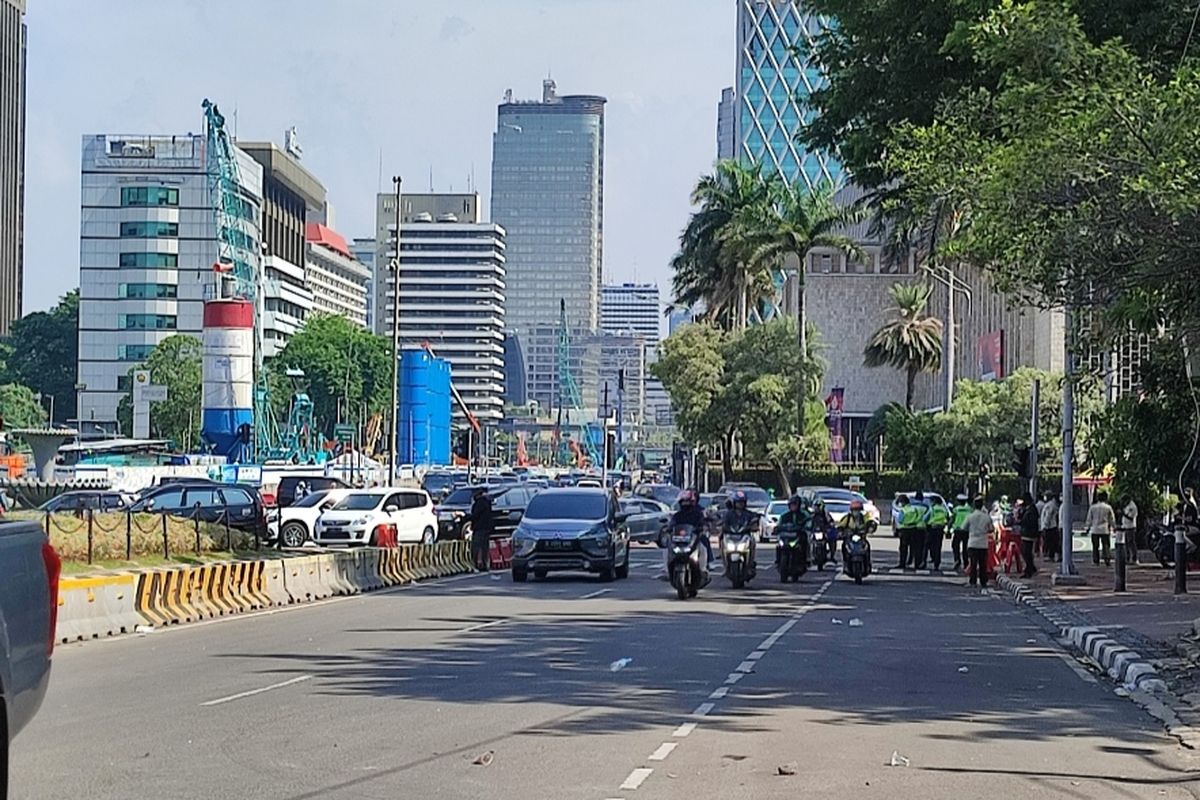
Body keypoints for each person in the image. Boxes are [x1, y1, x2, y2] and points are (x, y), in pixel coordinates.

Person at [673, 489, 714, 569]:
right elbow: (672, 524)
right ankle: (668, 570)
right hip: (679, 540)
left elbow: (703, 522)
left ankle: (703, 569)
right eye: (683, 502)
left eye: (687, 501)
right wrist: (668, 528)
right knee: (668, 548)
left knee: (703, 548)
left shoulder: (698, 513)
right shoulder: (677, 515)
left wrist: (703, 527)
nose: (685, 504)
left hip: (693, 539)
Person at [966, 496, 995, 588]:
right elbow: (991, 529)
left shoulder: (970, 516)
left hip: (972, 543)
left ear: (974, 505)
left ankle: (973, 581)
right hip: (983, 543)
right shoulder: (987, 517)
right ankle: (983, 581)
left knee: (973, 563)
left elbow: (964, 527)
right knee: (983, 564)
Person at [777, 495, 811, 568]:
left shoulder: (804, 514)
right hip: (787, 536)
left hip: (798, 534)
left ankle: (806, 558)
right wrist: (777, 528)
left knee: (805, 540)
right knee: (779, 545)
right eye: (791, 505)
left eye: (794, 504)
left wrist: (806, 527)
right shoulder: (784, 515)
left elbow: (809, 521)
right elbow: (779, 524)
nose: (793, 506)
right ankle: (778, 559)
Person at [1087, 491, 1117, 567]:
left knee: (1095, 546)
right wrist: (1114, 527)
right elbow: (1111, 519)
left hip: (1095, 529)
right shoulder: (1108, 507)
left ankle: (1096, 561)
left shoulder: (1093, 507)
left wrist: (1087, 527)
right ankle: (1107, 560)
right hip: (1105, 529)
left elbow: (1089, 519)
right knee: (1106, 546)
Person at [895, 494, 924, 570]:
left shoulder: (903, 510)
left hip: (904, 530)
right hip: (913, 529)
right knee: (914, 548)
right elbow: (918, 518)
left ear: (903, 502)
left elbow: (900, 520)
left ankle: (902, 563)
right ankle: (916, 564)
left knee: (903, 548)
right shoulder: (914, 509)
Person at [469, 487, 495, 571]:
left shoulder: (479, 504)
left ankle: (476, 564)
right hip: (487, 528)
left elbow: (475, 516)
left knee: (476, 546)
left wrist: (463, 517)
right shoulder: (487, 502)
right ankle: (485, 564)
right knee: (484, 547)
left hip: (479, 528)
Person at [1018, 492, 1041, 579]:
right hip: (1026, 533)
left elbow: (1030, 521)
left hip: (1029, 534)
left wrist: (1023, 522)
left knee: (1026, 552)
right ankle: (1031, 567)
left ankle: (1029, 570)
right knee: (1025, 552)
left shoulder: (1032, 509)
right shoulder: (1027, 509)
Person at [925, 497, 950, 571]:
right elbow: (947, 517)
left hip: (932, 528)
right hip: (940, 529)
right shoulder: (943, 509)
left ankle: (930, 559)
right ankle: (937, 563)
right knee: (938, 546)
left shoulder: (932, 508)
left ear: (934, 501)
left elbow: (925, 518)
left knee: (929, 545)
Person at [950, 494, 972, 571]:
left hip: (958, 530)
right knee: (965, 547)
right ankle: (966, 563)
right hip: (966, 530)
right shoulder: (970, 509)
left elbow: (952, 519)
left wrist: (949, 528)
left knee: (955, 545)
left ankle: (957, 560)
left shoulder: (956, 509)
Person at [811, 498, 836, 565]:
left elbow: (831, 521)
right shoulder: (812, 515)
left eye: (818, 505)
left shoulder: (826, 514)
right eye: (816, 506)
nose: (817, 507)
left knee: (832, 539)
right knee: (808, 541)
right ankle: (810, 556)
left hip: (824, 531)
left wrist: (831, 525)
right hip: (814, 531)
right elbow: (808, 522)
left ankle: (832, 555)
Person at [911, 492, 931, 569]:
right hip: (923, 528)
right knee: (923, 547)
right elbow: (928, 517)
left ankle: (915, 562)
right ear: (922, 499)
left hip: (914, 527)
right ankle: (922, 562)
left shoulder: (911, 506)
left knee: (915, 546)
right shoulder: (926, 507)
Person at [1040, 492, 1061, 563]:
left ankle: (1051, 556)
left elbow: (1048, 516)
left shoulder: (1050, 505)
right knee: (1053, 542)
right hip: (1051, 526)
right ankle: (1052, 556)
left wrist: (1045, 526)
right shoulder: (1052, 505)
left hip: (1050, 527)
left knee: (1051, 542)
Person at [1120, 495, 1140, 565]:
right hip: (1125, 526)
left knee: (1131, 543)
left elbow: (1131, 517)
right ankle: (1127, 558)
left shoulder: (1132, 506)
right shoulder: (1127, 506)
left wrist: (1123, 514)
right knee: (1126, 543)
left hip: (1130, 526)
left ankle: (1135, 558)